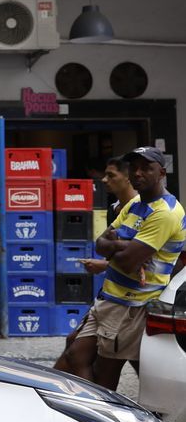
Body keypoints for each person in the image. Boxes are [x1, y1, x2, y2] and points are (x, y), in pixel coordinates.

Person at [57, 147, 184, 391]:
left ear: (162, 172)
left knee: (105, 373)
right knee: (75, 352)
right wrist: (121, 245)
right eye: (133, 167)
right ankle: (85, 409)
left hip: (130, 305)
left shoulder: (165, 213)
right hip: (110, 297)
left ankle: (101, 418)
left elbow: (127, 261)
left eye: (146, 168)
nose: (137, 173)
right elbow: (100, 243)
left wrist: (116, 245)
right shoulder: (135, 203)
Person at [101, 155, 134, 225]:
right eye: (105, 175)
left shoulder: (144, 209)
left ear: (128, 177)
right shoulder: (113, 209)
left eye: (111, 175)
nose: (104, 180)